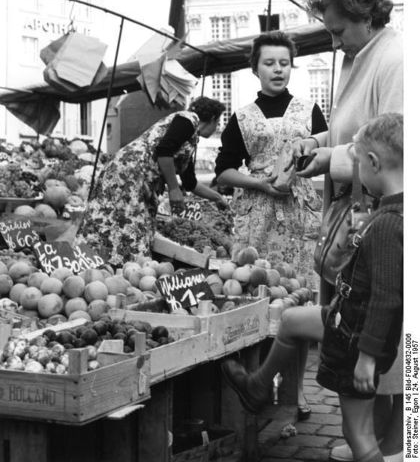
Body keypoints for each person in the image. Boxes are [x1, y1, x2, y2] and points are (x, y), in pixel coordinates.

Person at [222, 112, 403, 462]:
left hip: (355, 336)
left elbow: (386, 298)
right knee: (291, 322)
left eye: (357, 164)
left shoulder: (385, 224)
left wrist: (367, 358)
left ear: (373, 163)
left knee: (360, 437)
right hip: (348, 320)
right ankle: (258, 388)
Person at [292, 0, 403, 461]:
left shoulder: (394, 58)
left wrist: (328, 160)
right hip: (356, 211)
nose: (335, 43)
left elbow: (393, 146)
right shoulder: (360, 55)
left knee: (375, 324)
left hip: (374, 215)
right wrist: (315, 143)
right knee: (355, 320)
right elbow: (352, 131)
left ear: (365, 16)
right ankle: (374, 438)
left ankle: (393, 443)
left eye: (338, 31)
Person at [214, 31, 328, 420]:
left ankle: (296, 394)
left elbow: (324, 153)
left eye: (284, 62)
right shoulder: (243, 117)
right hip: (257, 221)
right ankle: (260, 384)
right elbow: (225, 172)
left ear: (291, 66)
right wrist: (261, 182)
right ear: (255, 68)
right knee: (259, 301)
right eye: (269, 63)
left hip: (299, 218)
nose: (278, 69)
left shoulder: (310, 109)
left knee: (295, 300)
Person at [78, 96, 228, 266]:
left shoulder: (191, 138)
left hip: (137, 180)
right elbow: (164, 151)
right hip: (128, 176)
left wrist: (218, 198)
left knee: (123, 225)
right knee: (125, 225)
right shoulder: (188, 120)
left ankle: (116, 267)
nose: (217, 128)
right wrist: (173, 189)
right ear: (213, 118)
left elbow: (190, 183)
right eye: (218, 123)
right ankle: (112, 266)